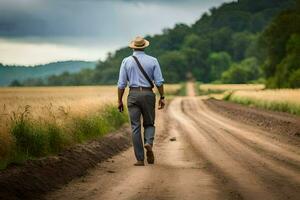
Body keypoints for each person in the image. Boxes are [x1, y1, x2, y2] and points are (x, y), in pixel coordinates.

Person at [117, 36, 165, 166]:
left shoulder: (126, 61)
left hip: (132, 95)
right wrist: (162, 97)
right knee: (149, 123)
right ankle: (148, 142)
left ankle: (139, 159)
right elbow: (159, 81)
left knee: (135, 127)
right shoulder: (153, 60)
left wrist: (119, 100)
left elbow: (121, 84)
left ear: (133, 47)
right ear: (144, 46)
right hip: (148, 94)